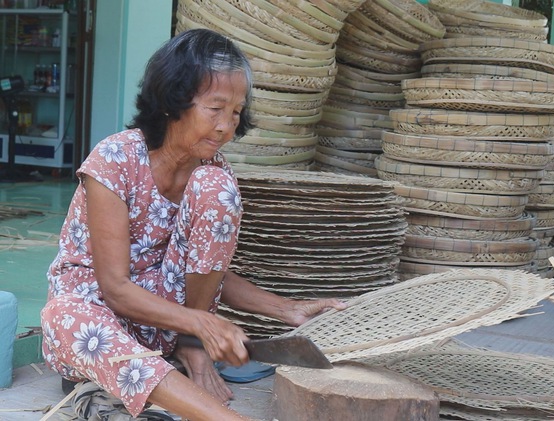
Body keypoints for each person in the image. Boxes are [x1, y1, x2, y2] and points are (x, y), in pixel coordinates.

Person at [40, 28, 346, 421]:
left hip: (165, 327)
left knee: (218, 188)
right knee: (63, 317)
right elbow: (115, 289)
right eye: (214, 108)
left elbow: (202, 272)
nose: (226, 126)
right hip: (95, 318)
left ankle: (184, 350)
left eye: (235, 112)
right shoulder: (115, 158)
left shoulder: (211, 172)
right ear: (173, 103)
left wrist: (287, 310)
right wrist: (204, 324)